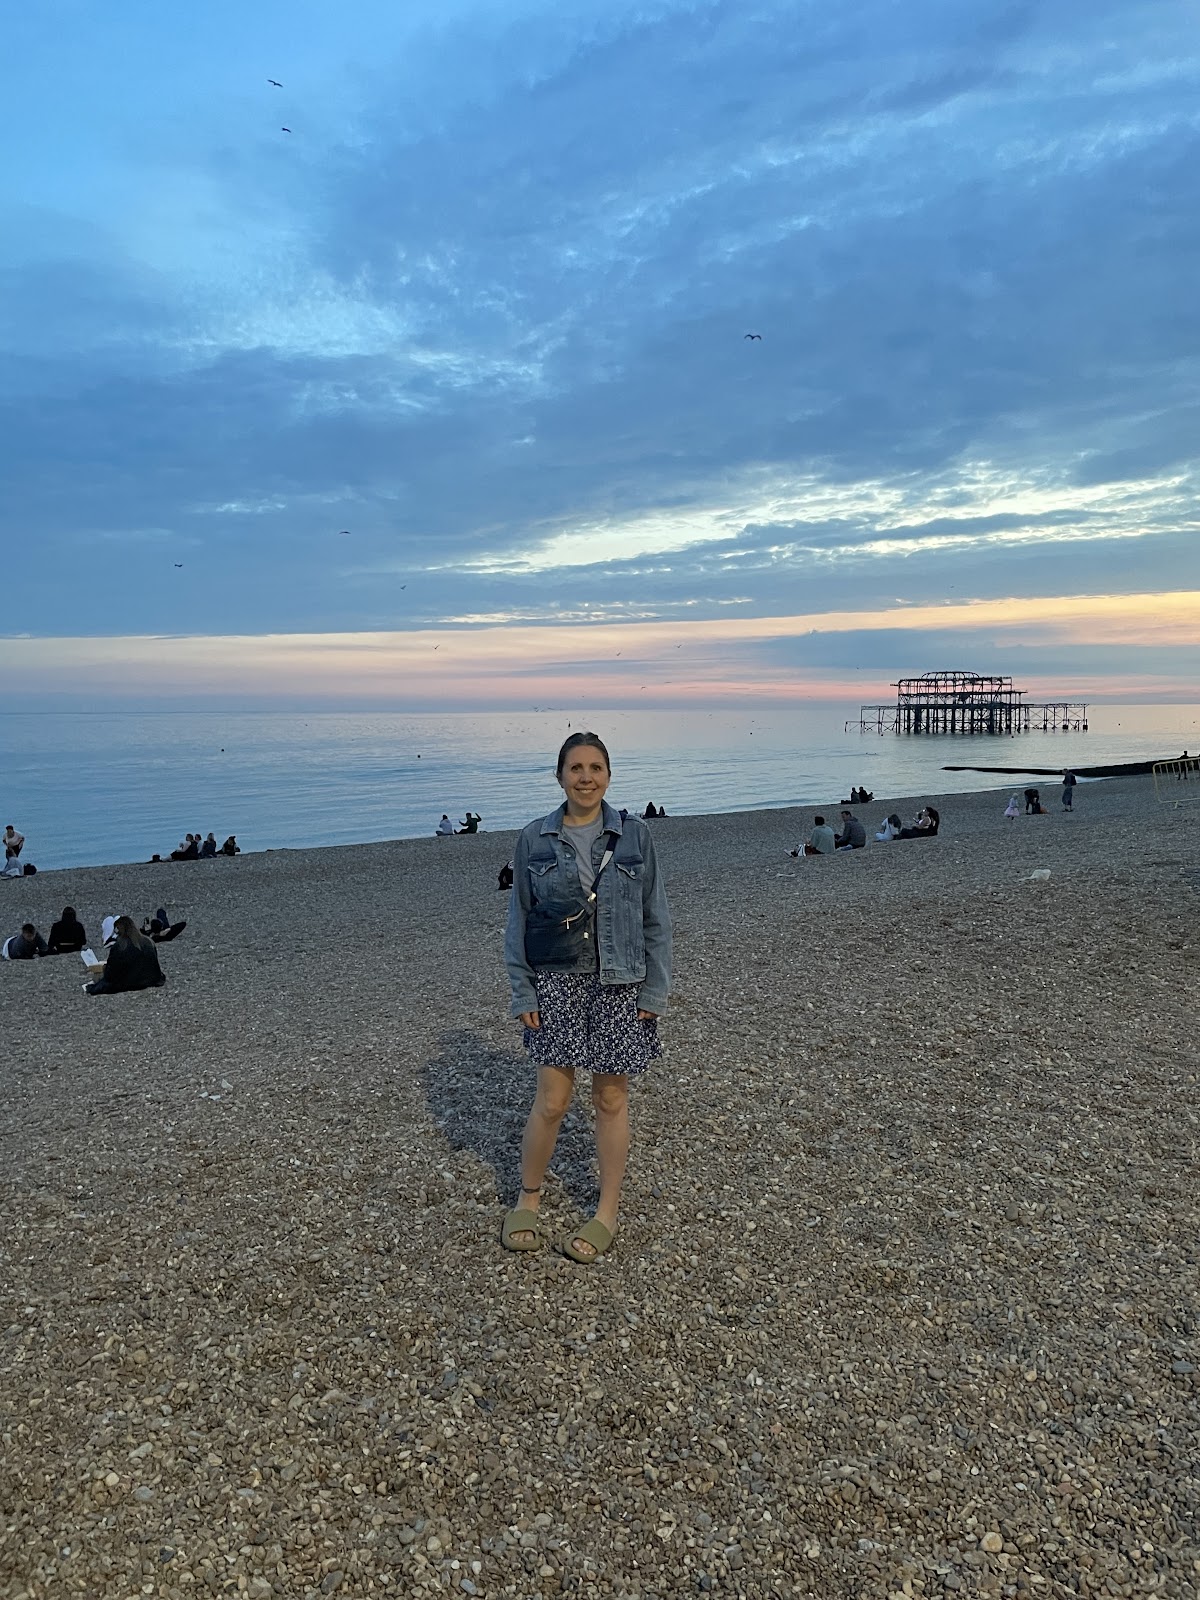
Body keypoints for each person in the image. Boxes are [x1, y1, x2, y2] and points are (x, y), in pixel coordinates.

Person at [503, 732, 671, 1264]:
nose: (586, 777)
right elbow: (518, 920)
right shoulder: (534, 839)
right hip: (556, 982)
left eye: (595, 768)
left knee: (610, 1100)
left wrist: (656, 989)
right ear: (559, 776)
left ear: (608, 775)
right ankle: (528, 1198)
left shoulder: (635, 836)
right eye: (575, 768)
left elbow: (656, 918)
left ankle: (606, 1211)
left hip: (621, 982)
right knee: (552, 1101)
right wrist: (522, 989)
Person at [84, 915, 166, 995]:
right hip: (149, 979)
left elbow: (111, 974)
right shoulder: (148, 942)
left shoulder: (120, 946)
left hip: (128, 981)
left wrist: (104, 969)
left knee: (98, 981)